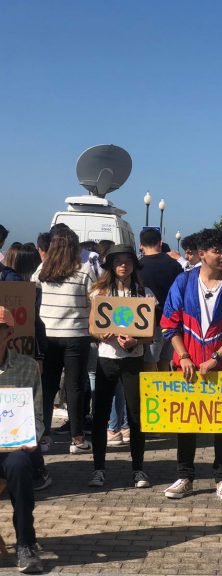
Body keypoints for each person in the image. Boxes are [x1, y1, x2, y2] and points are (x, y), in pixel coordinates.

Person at [160, 228, 222, 501]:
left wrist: (216, 358)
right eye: (217, 251)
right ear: (202, 254)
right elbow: (169, 322)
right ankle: (184, 476)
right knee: (185, 421)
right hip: (187, 365)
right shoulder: (183, 282)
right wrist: (184, 356)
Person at [87, 245, 155, 490]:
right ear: (111, 265)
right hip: (106, 358)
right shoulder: (100, 292)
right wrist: (100, 334)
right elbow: (92, 327)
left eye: (128, 261)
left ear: (134, 265)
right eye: (118, 261)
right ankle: (98, 469)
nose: (123, 265)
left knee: (136, 416)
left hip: (133, 359)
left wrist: (137, 340)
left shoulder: (144, 294)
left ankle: (138, 468)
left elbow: (151, 334)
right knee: (100, 415)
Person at [37, 226, 96, 454]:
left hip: (47, 336)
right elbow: (95, 300)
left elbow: (33, 293)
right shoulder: (83, 270)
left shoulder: (43, 270)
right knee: (74, 388)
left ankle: (43, 437)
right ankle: (77, 438)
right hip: (76, 335)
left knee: (48, 387)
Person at [0, 306, 45, 573]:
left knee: (20, 466)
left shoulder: (27, 367)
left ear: (10, 333)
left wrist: (32, 437)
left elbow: (37, 415)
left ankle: (25, 544)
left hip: (13, 446)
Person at [138, 228, 183, 372]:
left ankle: (153, 393)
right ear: (161, 243)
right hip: (173, 321)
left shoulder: (138, 266)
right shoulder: (174, 265)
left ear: (141, 245)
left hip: (151, 322)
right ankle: (165, 393)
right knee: (165, 362)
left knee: (150, 362)